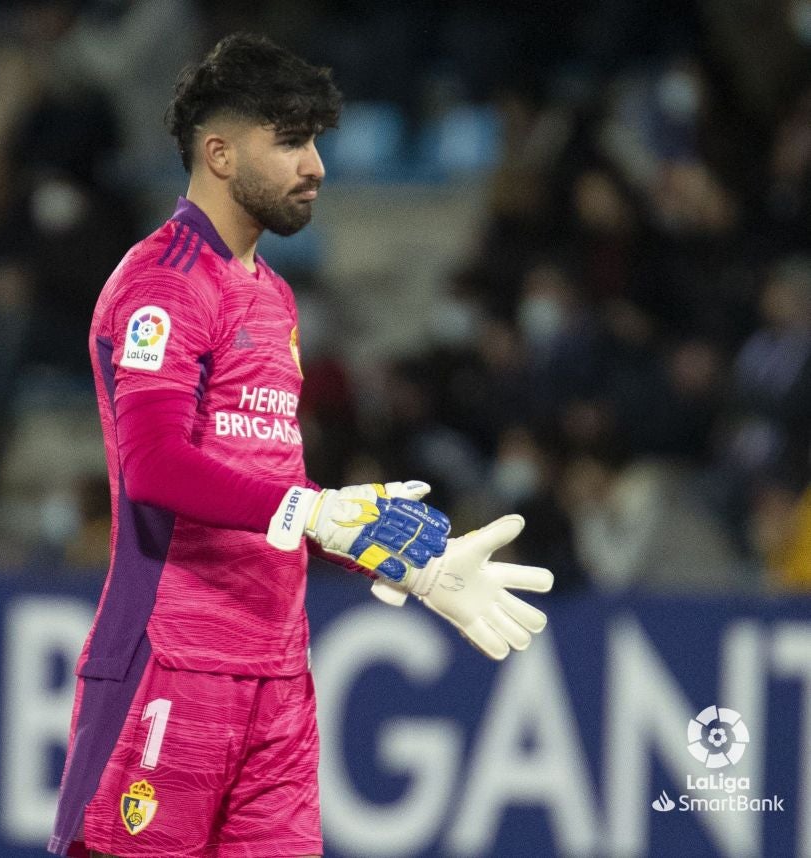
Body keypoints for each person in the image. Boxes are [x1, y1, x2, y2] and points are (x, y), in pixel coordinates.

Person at [48, 32, 553, 858]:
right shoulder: (162, 285)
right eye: (289, 139)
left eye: (314, 139)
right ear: (217, 152)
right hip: (171, 667)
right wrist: (311, 510)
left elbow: (275, 488)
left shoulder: (274, 299)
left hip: (279, 681)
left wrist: (404, 561)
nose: (315, 164)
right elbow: (154, 468)